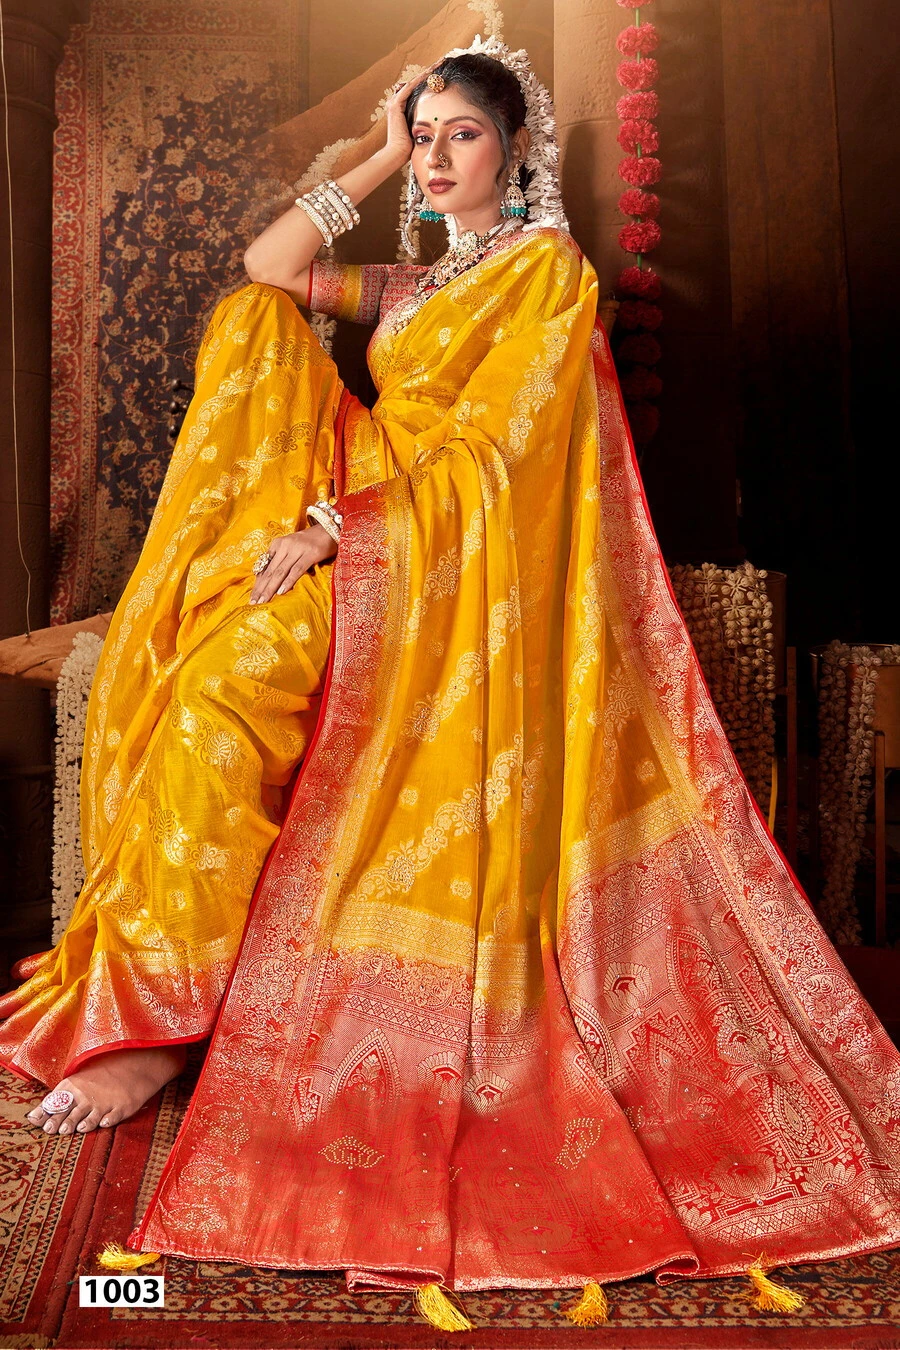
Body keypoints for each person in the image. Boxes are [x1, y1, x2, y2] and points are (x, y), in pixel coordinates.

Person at [3, 32, 900, 1333]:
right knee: (218, 633)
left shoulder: (546, 273)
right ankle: (158, 1012)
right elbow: (265, 274)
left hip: (441, 568)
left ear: (514, 149)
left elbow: (508, 460)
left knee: (236, 685)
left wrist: (340, 528)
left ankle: (163, 1033)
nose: (436, 156)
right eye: (425, 137)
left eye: (459, 134)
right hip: (363, 533)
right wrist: (372, 156)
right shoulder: (410, 283)